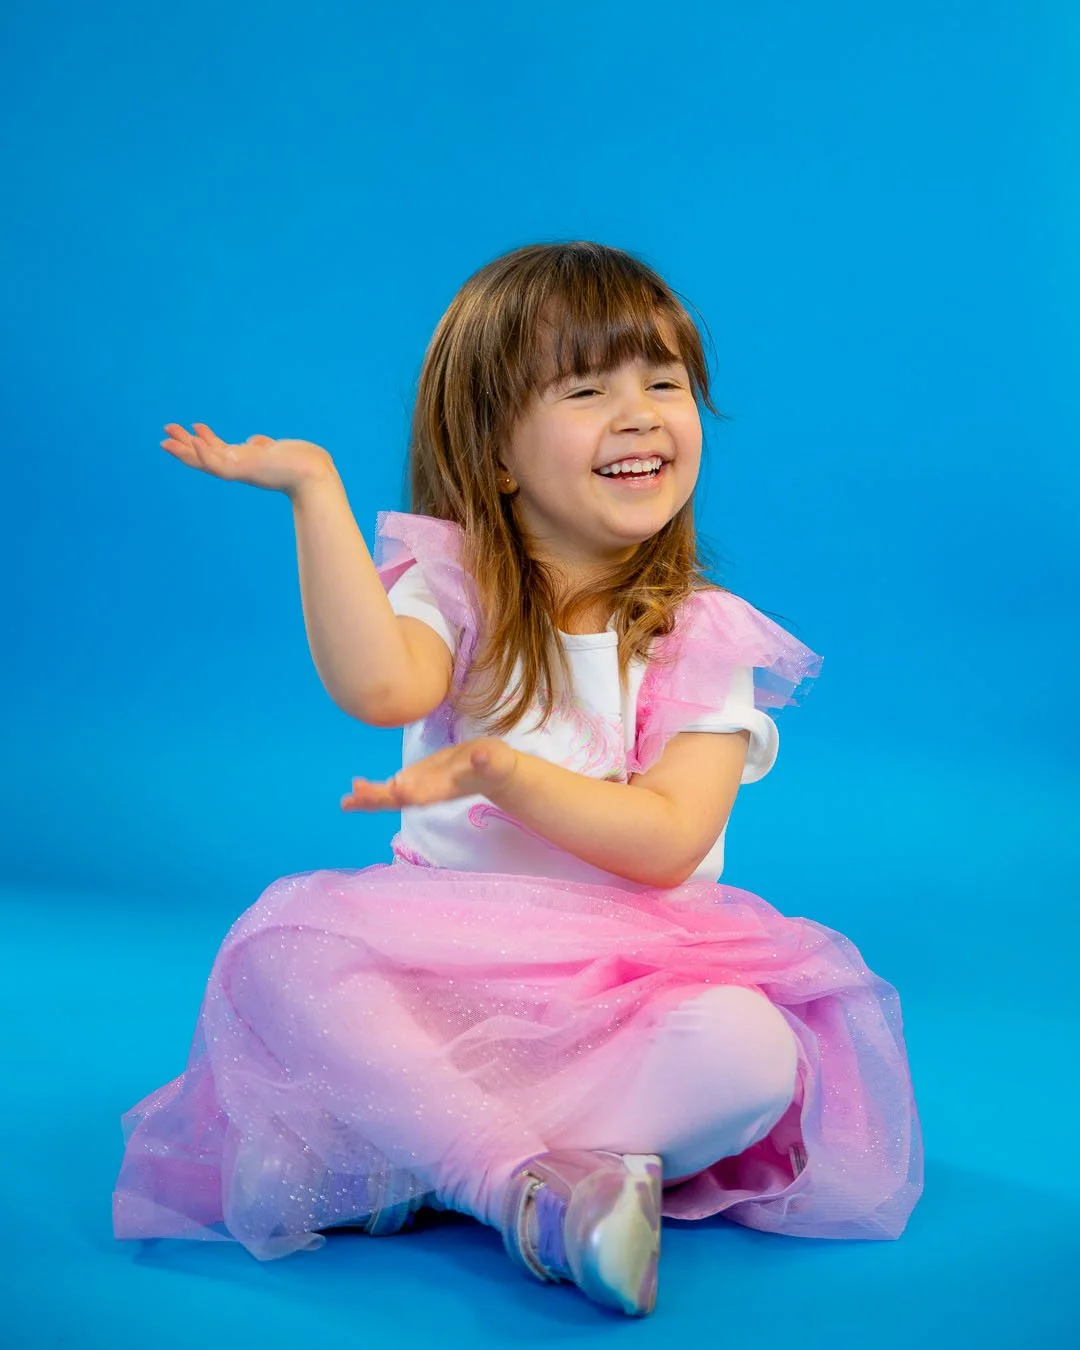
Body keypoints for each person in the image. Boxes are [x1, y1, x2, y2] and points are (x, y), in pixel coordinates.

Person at [113, 241, 922, 1317]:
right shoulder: (457, 589)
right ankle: (532, 1190)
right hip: (446, 968)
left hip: (632, 982)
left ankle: (415, 1159)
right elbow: (381, 687)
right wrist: (314, 495)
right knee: (286, 951)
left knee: (752, 1054)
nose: (639, 415)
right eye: (589, 390)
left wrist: (502, 767)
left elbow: (669, 839)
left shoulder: (702, 636)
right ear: (496, 456)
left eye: (664, 384)